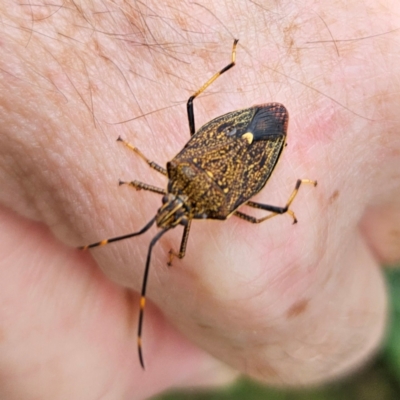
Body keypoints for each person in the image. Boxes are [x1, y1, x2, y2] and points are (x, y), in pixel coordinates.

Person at [0, 1, 399, 398]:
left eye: (163, 210)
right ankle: (245, 93)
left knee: (262, 215)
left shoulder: (198, 206)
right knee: (197, 112)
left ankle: (294, 193)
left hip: (245, 155)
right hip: (242, 145)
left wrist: (174, 248)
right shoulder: (174, 173)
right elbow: (153, 173)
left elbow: (180, 238)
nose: (164, 217)